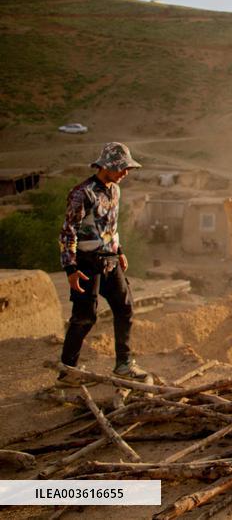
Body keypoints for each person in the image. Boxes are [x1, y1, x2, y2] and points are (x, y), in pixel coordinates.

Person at [57, 142, 149, 385]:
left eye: (127, 168)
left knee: (125, 307)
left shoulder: (115, 191)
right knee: (85, 317)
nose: (125, 173)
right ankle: (67, 374)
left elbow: (110, 226)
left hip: (110, 261)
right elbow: (68, 232)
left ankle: (123, 364)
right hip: (87, 264)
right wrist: (71, 269)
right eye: (121, 168)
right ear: (105, 166)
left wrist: (119, 251)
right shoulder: (82, 193)